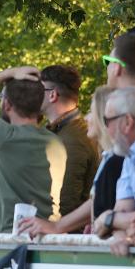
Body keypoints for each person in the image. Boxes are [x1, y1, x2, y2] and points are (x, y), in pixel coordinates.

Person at [0, 67, 66, 233]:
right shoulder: (55, 142)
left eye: (1, 97)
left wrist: (8, 73)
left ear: (7, 104)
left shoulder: (5, 137)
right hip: (46, 238)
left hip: (15, 245)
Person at [20, 86, 122, 236]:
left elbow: (78, 200)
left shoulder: (117, 160)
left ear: (104, 118)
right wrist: (93, 219)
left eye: (91, 112)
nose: (86, 118)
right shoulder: (110, 157)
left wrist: (57, 227)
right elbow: (98, 201)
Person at [40, 65, 100, 215]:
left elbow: (65, 201)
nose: (32, 95)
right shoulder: (63, 131)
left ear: (52, 95)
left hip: (65, 235)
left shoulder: (72, 139)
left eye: (37, 90)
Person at [92, 87, 135, 252]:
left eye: (107, 121)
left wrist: (109, 218)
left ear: (127, 122)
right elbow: (119, 212)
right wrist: (122, 235)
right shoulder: (130, 157)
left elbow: (113, 217)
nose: (106, 129)